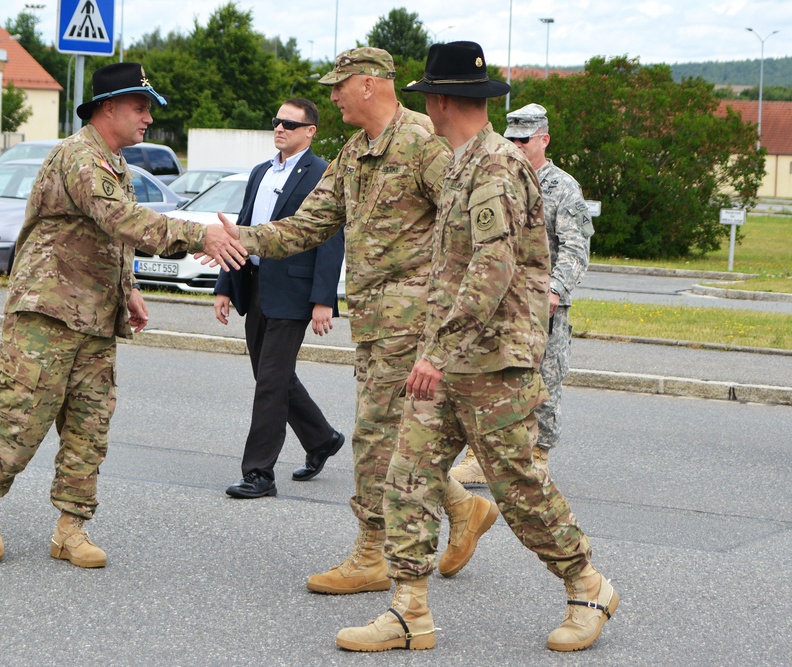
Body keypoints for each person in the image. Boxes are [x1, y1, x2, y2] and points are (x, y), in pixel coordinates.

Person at [334, 41, 617, 653]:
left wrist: (437, 351)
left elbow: (492, 267)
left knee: (518, 488)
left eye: (426, 98)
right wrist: (433, 349)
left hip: (493, 361)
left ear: (438, 99)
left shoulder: (493, 168)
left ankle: (587, 584)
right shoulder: (459, 162)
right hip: (448, 355)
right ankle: (408, 611)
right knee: (406, 476)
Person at [222, 47, 497, 593]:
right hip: (373, 325)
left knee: (375, 437)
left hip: (414, 325)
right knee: (398, 439)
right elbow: (309, 225)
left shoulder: (423, 143)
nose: (331, 96)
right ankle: (464, 510)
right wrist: (241, 240)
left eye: (338, 85)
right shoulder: (354, 152)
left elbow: (467, 229)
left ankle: (373, 554)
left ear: (369, 84)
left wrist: (448, 321)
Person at [0, 62, 246, 568]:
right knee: (22, 418)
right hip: (47, 315)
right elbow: (122, 220)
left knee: (90, 428)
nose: (147, 119)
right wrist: (200, 233)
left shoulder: (114, 164)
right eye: (140, 108)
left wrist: (129, 288)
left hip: (95, 317)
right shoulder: (78, 159)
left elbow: (107, 239)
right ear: (107, 108)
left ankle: (70, 528)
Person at [451, 102, 594, 485]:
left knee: (543, 382)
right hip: (494, 300)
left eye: (523, 139)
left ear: (544, 140)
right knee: (485, 381)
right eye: (510, 137)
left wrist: (555, 290)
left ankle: (538, 455)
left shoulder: (562, 187)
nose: (515, 144)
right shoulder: (496, 178)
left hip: (539, 304)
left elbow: (576, 247)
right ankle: (478, 456)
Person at [214, 98, 346, 499]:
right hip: (254, 285)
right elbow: (241, 229)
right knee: (271, 376)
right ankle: (321, 438)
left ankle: (259, 473)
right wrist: (224, 284)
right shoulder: (260, 172)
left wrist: (324, 299)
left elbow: (330, 237)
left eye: (290, 123)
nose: (280, 129)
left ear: (310, 131)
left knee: (270, 382)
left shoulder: (323, 175)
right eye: (277, 122)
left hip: (294, 291)